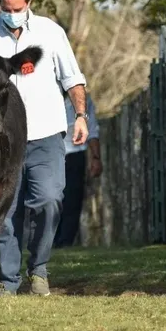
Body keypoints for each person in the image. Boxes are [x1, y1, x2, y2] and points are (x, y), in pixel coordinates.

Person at [0, 0, 88, 296]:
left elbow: (72, 78)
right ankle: (8, 278)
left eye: (17, 8)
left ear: (29, 2)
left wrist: (81, 116)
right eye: (6, 8)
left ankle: (39, 268)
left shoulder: (51, 32)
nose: (11, 13)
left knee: (49, 199)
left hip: (46, 132)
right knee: (4, 211)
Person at [54, 92, 101, 248]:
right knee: (50, 200)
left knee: (72, 201)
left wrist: (96, 157)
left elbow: (92, 129)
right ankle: (50, 241)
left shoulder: (83, 100)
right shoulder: (45, 94)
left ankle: (65, 243)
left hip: (75, 155)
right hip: (50, 155)